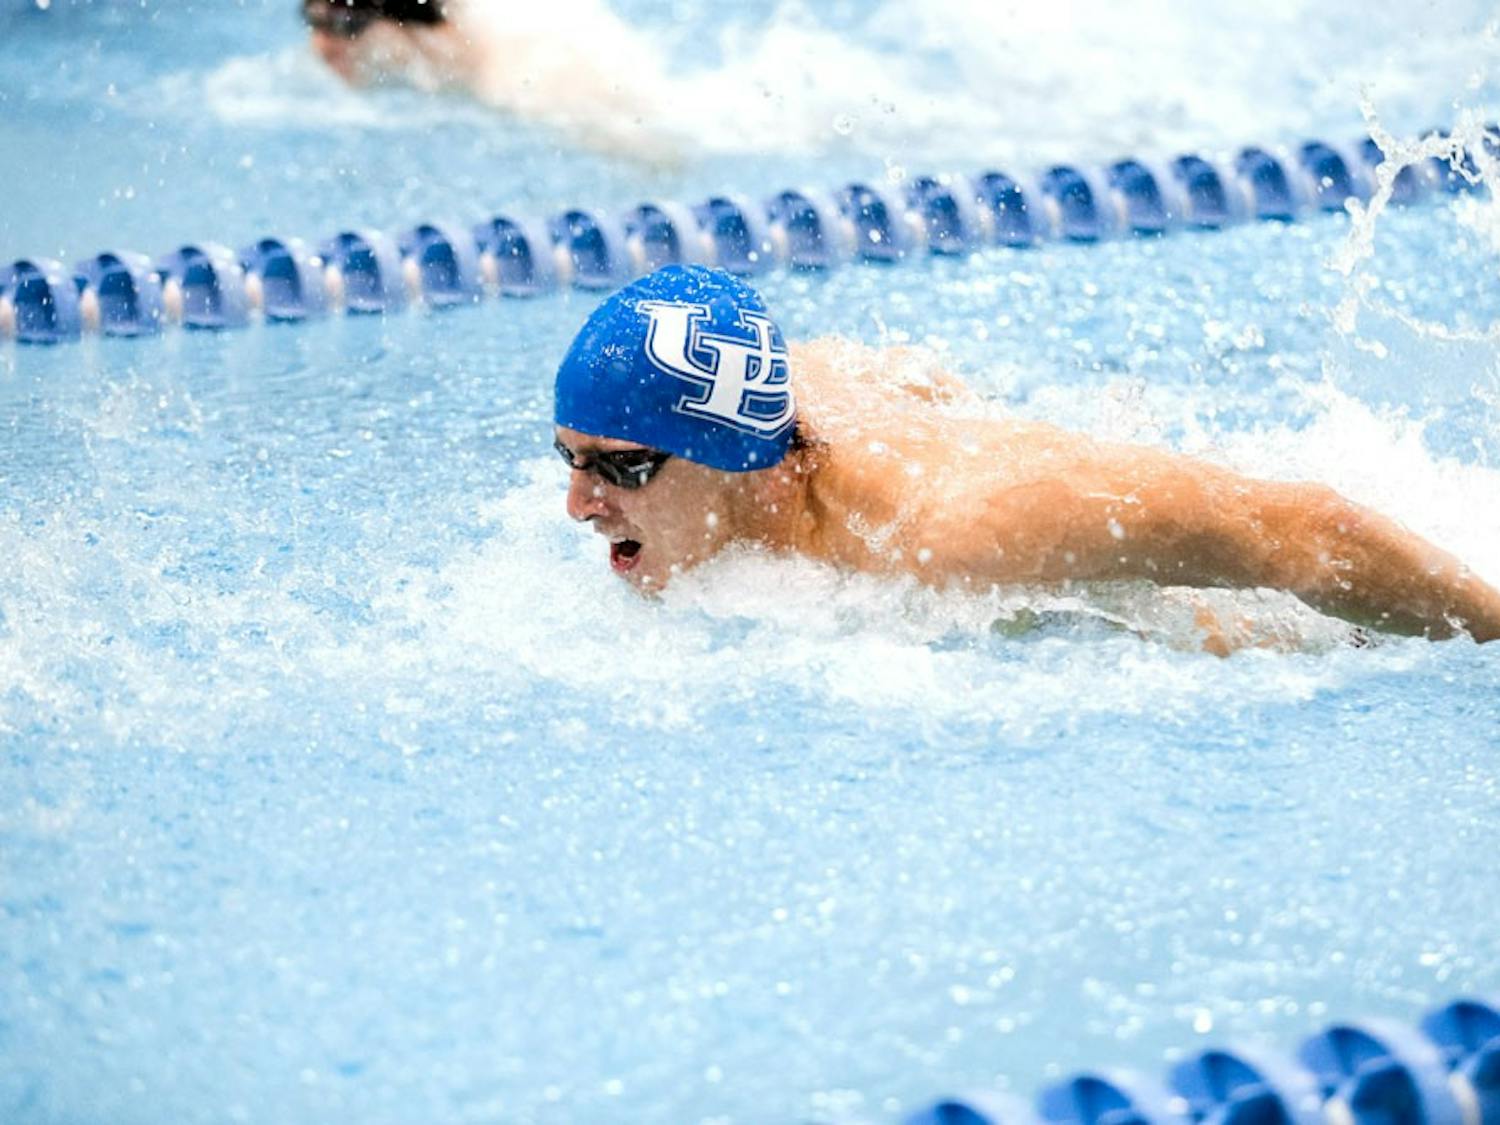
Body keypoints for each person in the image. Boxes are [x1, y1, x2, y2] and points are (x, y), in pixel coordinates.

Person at [553, 265, 1500, 644]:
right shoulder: (773, 403)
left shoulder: (955, 526)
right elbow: (900, 373)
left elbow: (1303, 531)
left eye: (621, 469)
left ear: (732, 457)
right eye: (568, 459)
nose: (578, 504)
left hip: (1242, 602)